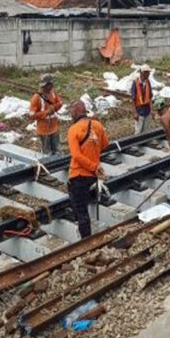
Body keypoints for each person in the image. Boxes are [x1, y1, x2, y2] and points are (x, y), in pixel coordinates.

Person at [67, 101, 109, 238]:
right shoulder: (97, 125)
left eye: (72, 112)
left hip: (78, 175)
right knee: (85, 205)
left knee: (81, 212)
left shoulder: (73, 129)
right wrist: (93, 154)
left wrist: (93, 165)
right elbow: (104, 145)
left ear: (76, 113)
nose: (71, 115)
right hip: (93, 176)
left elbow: (76, 155)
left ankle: (86, 242)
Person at [29, 73, 63, 156]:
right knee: (47, 153)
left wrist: (53, 108)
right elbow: (31, 115)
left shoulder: (53, 93)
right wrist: (46, 112)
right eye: (43, 86)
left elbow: (60, 103)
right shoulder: (36, 98)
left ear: (51, 85)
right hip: (43, 130)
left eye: (47, 85)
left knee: (57, 150)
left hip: (54, 127)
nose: (44, 88)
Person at [130, 65, 153, 134]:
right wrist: (135, 112)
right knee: (138, 130)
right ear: (142, 73)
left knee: (146, 130)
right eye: (147, 73)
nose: (148, 74)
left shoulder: (148, 82)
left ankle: (145, 143)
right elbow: (133, 99)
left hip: (147, 110)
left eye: (149, 72)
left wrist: (151, 110)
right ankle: (136, 144)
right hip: (139, 110)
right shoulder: (135, 83)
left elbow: (150, 97)